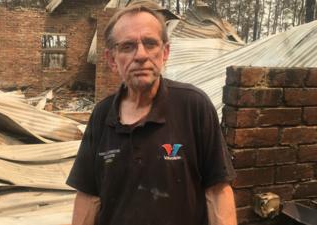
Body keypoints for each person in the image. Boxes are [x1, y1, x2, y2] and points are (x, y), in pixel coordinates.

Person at [66, 2, 237, 225]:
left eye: (150, 43)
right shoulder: (102, 114)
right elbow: (89, 196)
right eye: (128, 46)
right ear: (111, 59)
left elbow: (217, 192)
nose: (141, 55)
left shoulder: (193, 106)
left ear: (165, 52)